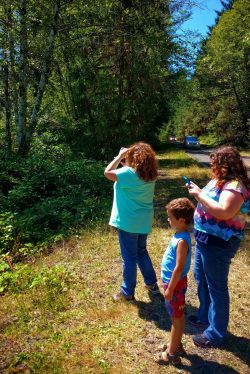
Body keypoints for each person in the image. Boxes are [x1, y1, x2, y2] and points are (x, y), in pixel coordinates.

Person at [187, 145, 250, 348]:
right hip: (206, 239)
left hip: (219, 243)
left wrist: (198, 194)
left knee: (217, 288)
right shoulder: (219, 181)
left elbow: (224, 212)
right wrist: (199, 191)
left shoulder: (236, 186)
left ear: (224, 165)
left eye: (215, 163)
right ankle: (205, 317)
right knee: (201, 279)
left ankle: (215, 334)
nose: (212, 166)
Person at [104, 142, 159, 301]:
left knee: (129, 258)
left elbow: (107, 172)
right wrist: (126, 160)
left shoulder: (127, 173)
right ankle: (152, 284)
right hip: (143, 221)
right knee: (141, 252)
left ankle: (127, 293)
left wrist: (120, 156)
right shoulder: (150, 175)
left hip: (128, 222)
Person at [157, 198, 195, 366]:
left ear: (181, 220)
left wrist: (170, 288)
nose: (168, 220)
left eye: (170, 217)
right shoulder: (180, 234)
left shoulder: (181, 241)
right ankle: (176, 343)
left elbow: (179, 268)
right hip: (173, 283)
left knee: (177, 318)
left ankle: (172, 353)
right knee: (175, 315)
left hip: (175, 285)